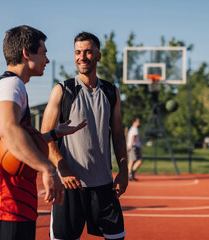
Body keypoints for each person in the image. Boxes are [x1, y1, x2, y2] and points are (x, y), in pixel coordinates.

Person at [0, 25, 86, 240]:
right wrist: (48, 168)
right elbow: (8, 129)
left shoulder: (7, 85)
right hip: (6, 200)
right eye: (44, 53)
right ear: (26, 53)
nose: (47, 60)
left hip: (1, 200)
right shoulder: (12, 85)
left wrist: (53, 134)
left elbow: (17, 137)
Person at [41, 31, 128, 240]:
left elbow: (117, 134)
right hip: (70, 186)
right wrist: (62, 165)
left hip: (104, 185)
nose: (82, 56)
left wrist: (124, 170)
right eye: (78, 52)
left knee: (117, 237)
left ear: (98, 55)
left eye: (88, 52)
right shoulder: (63, 90)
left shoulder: (110, 91)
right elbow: (45, 135)